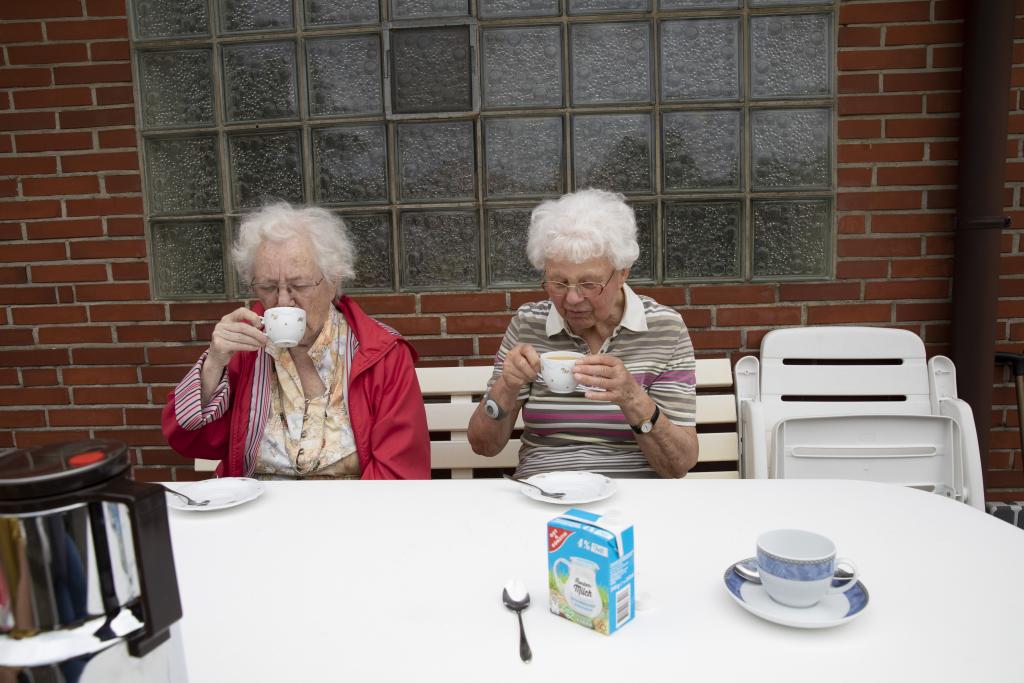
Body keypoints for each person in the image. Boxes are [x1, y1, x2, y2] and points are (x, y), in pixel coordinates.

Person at [161, 202, 430, 480]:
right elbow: (189, 441)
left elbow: (400, 474)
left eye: (299, 285)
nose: (282, 301)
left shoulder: (382, 355)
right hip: (257, 512)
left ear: (333, 281)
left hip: (350, 514)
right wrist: (214, 364)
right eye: (267, 287)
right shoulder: (244, 347)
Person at [468, 188, 699, 478]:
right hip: (543, 492)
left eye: (589, 284)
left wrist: (632, 398)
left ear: (623, 272)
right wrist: (506, 387)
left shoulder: (666, 329)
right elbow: (483, 446)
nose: (572, 299)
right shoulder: (528, 323)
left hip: (636, 496)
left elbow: (678, 464)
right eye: (558, 282)